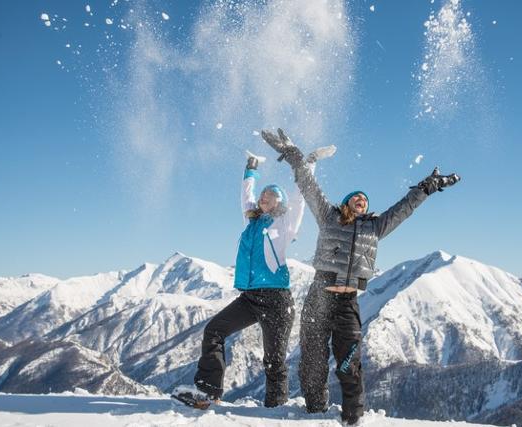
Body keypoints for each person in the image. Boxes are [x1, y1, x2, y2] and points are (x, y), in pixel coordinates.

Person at [261, 128, 460, 425]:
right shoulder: (328, 215)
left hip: (347, 302)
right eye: (356, 198)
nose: (361, 201)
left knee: (349, 362)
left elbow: (404, 209)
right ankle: (315, 411)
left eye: (365, 200)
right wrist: (293, 155)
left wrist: (427, 187)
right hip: (319, 295)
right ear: (345, 203)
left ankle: (354, 418)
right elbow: (308, 184)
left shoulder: (375, 227)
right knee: (313, 359)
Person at [172, 147, 333, 409]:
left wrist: (309, 164)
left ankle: (276, 409)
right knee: (214, 331)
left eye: (270, 195)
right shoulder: (252, 222)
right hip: (249, 297)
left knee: (274, 359)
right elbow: (246, 195)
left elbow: (300, 197)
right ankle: (207, 392)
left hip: (277, 300)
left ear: (279, 203)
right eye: (263, 195)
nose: (263, 198)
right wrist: (251, 166)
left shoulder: (285, 223)